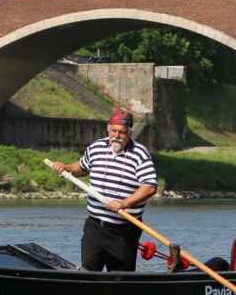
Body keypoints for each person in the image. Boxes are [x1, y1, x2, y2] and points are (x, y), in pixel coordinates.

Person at [48, 108, 158, 271]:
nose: (117, 136)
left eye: (122, 132)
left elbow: (150, 187)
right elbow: (82, 168)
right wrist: (66, 167)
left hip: (124, 231)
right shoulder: (96, 147)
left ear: (129, 132)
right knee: (88, 273)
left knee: (120, 278)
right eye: (113, 131)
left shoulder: (140, 154)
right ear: (108, 129)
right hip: (95, 227)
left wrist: (124, 203)